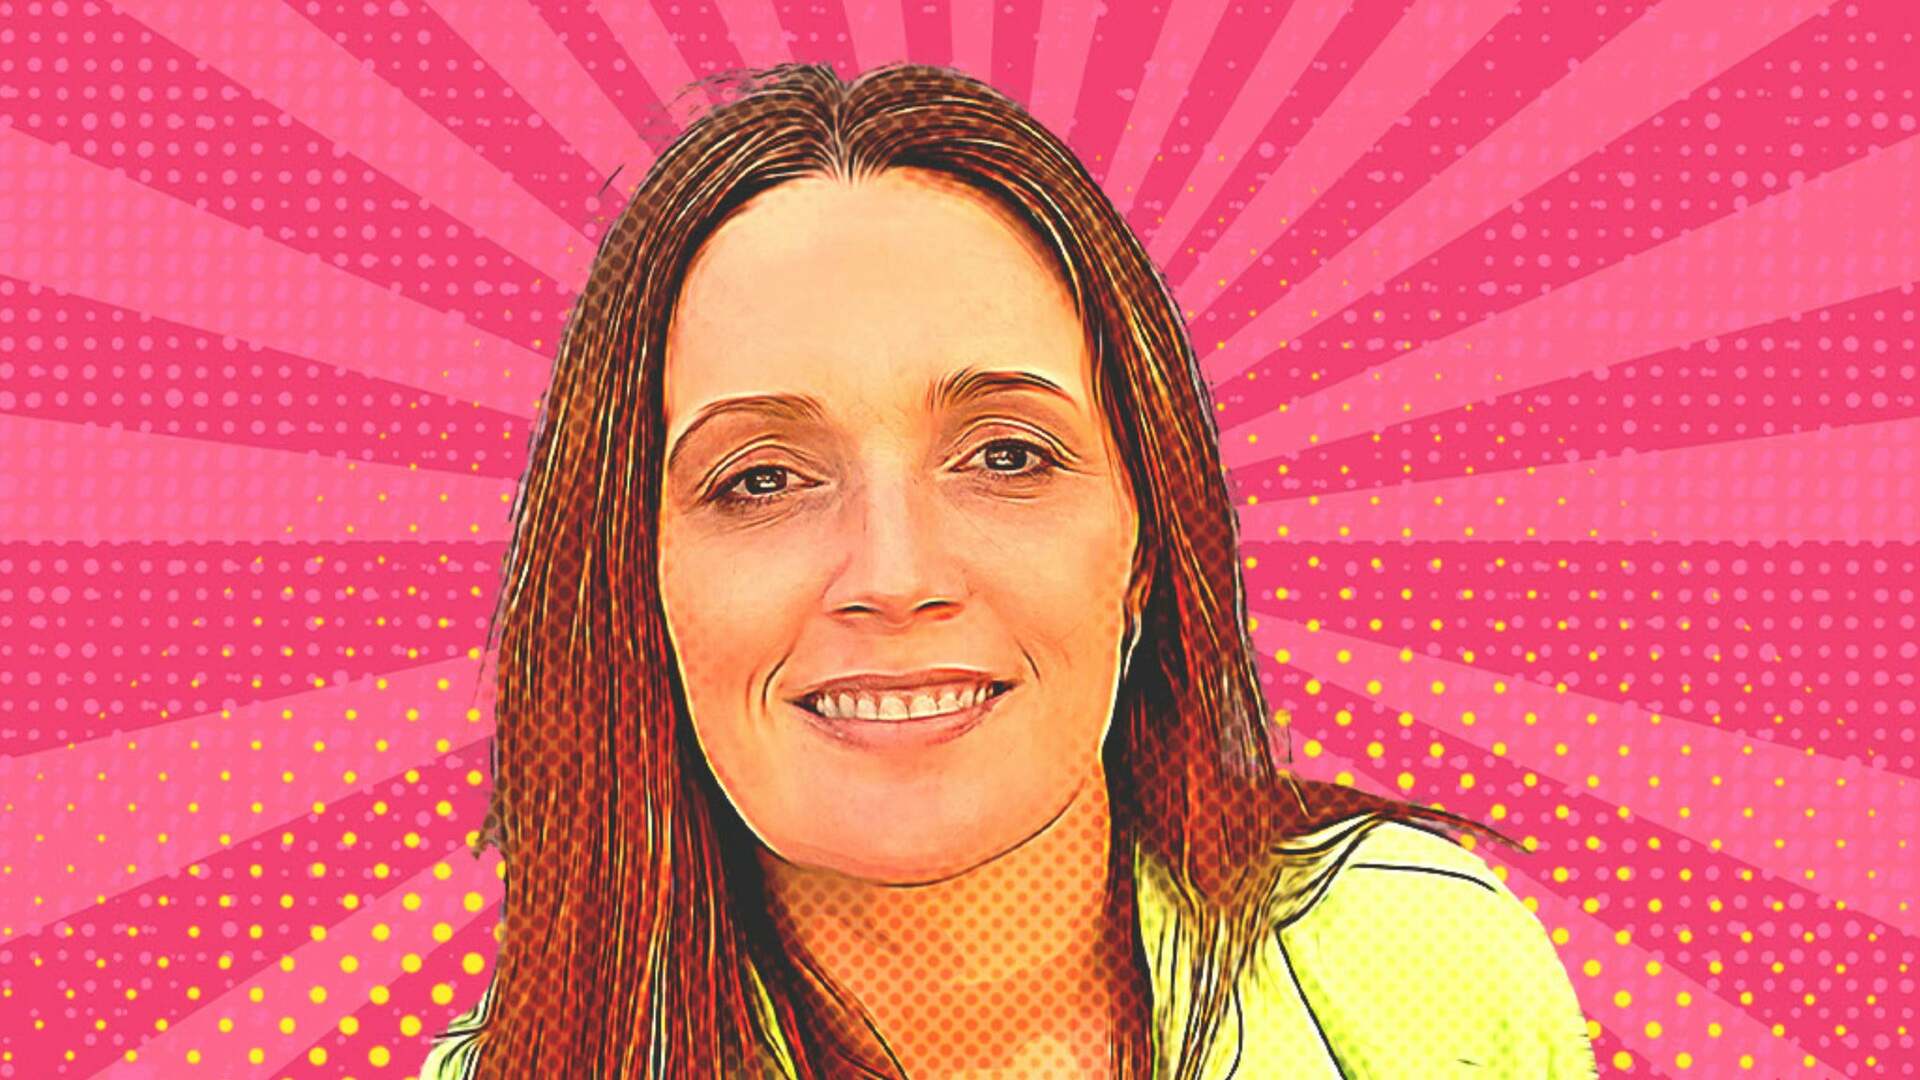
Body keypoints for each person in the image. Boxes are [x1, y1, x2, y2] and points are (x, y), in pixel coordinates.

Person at [420, 62, 1598, 1079]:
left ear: (1145, 546)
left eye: (1006, 456)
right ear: (639, 582)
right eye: (762, 478)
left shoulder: (1420, 966)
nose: (895, 574)